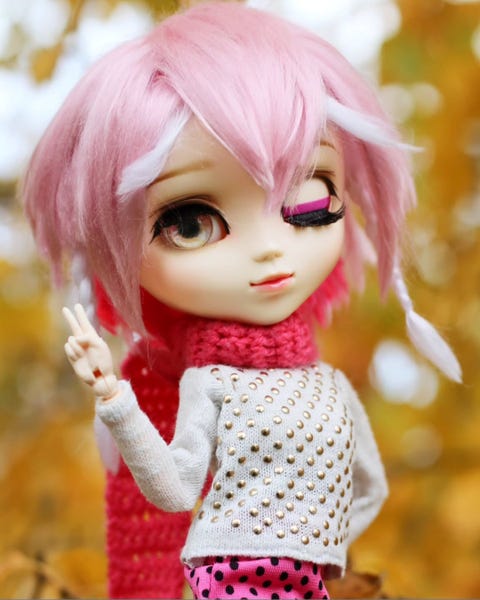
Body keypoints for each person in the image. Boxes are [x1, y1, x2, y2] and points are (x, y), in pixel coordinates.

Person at [22, 3, 461, 598]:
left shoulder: (330, 386)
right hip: (228, 579)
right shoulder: (208, 385)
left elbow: (370, 489)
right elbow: (174, 489)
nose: (270, 250)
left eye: (309, 200)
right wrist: (117, 400)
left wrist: (317, 544)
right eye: (190, 223)